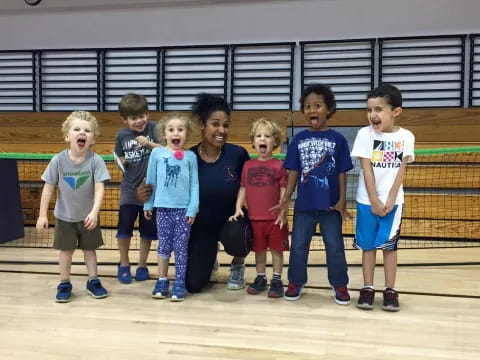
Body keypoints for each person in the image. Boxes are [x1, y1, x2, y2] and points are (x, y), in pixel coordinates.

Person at [137, 93, 250, 293]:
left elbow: (251, 187)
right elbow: (163, 182)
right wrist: (145, 194)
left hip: (230, 222)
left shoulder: (238, 155)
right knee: (193, 284)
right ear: (202, 124)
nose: (221, 130)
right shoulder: (187, 158)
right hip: (201, 226)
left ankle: (238, 264)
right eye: (215, 124)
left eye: (226, 125)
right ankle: (209, 257)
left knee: (240, 236)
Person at [272, 83, 353, 304]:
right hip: (304, 206)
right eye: (307, 107)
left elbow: (342, 172)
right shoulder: (299, 139)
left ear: (329, 109)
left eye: (317, 106)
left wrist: (342, 202)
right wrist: (286, 197)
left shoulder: (338, 139)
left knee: (335, 246)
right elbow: (294, 171)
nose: (312, 111)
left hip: (330, 207)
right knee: (298, 245)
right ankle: (296, 281)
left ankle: (340, 284)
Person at [351, 84, 415, 312]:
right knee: (368, 247)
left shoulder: (406, 137)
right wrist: (375, 201)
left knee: (389, 247)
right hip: (367, 202)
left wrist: (389, 200)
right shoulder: (364, 134)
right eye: (369, 110)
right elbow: (366, 169)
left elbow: (401, 171)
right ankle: (367, 288)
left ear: (395, 112)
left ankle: (390, 290)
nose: (373, 115)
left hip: (393, 204)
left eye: (379, 109)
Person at [36, 111, 110, 303]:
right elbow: (48, 188)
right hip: (64, 217)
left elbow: (100, 188)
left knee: (90, 251)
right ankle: (64, 283)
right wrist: (42, 215)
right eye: (76, 129)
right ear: (67, 136)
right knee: (66, 252)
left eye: (87, 130)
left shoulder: (96, 161)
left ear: (93, 139)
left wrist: (94, 213)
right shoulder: (58, 161)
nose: (82, 133)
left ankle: (93, 280)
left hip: (88, 218)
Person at [229, 118, 289, 298]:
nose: (263, 139)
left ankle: (277, 279)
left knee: (277, 250)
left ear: (275, 141)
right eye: (259, 136)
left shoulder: (279, 165)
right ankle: (261, 277)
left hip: (275, 219)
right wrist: (238, 207)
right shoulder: (248, 165)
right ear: (254, 141)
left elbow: (284, 190)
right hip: (255, 218)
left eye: (267, 136)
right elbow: (243, 188)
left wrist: (283, 212)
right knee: (259, 250)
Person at [143, 113, 199, 302]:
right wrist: (148, 203)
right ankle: (162, 280)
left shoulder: (190, 157)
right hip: (163, 210)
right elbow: (150, 181)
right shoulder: (157, 154)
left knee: (181, 248)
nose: (176, 133)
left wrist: (192, 208)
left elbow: (194, 185)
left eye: (180, 130)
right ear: (164, 134)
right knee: (164, 246)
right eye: (171, 129)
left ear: (187, 134)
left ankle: (180, 282)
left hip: (182, 211)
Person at [114, 93, 160, 284]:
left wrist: (149, 143)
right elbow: (118, 157)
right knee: (124, 230)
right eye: (134, 118)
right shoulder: (121, 136)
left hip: (150, 191)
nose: (139, 121)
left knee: (147, 232)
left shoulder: (155, 128)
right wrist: (121, 161)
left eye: (142, 116)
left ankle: (142, 265)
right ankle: (124, 264)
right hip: (129, 190)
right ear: (125, 120)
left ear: (147, 114)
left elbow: (166, 150)